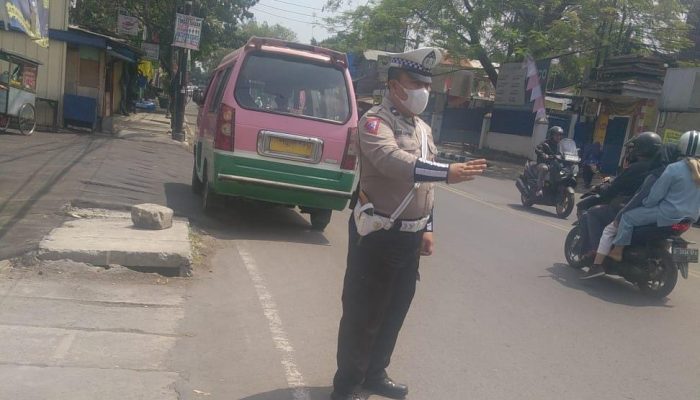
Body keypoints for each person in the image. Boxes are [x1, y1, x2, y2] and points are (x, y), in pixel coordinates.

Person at [331, 48, 487, 400]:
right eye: (415, 82)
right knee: (363, 312)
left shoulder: (422, 128)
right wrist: (448, 171)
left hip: (409, 238)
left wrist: (427, 226)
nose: (423, 90)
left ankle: (374, 373)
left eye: (427, 84)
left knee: (395, 310)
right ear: (394, 86)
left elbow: (424, 185)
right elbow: (392, 161)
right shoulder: (374, 122)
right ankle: (347, 384)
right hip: (378, 235)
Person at [581, 142, 681, 278]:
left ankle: (598, 258)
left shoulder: (652, 171)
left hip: (637, 207)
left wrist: (621, 212)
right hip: (677, 216)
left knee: (597, 215)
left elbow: (639, 195)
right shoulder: (678, 174)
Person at [606, 130, 700, 261]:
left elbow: (656, 194)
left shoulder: (674, 168)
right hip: (690, 219)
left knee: (627, 217)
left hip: (667, 214)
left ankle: (617, 251)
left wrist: (646, 203)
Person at [533, 126, 565, 196]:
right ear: (551, 135)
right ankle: (539, 189)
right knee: (544, 169)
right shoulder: (545, 143)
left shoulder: (561, 145)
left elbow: (565, 153)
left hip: (555, 164)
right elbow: (537, 149)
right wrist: (543, 154)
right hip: (544, 163)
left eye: (560, 135)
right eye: (556, 135)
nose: (558, 137)